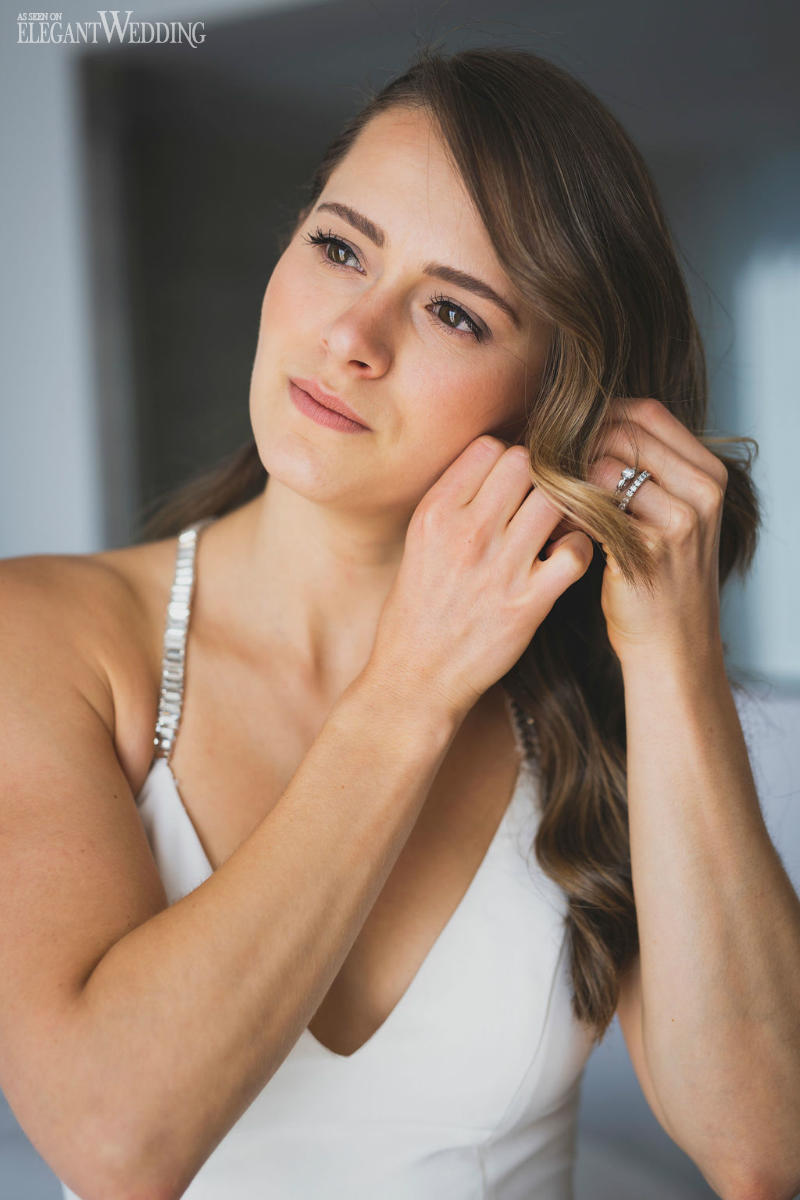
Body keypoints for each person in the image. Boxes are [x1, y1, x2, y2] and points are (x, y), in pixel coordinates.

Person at [2, 43, 799, 1200]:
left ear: (556, 400)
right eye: (338, 247)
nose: (351, 336)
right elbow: (117, 1137)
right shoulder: (46, 637)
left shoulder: (597, 702)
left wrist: (673, 658)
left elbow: (764, 1143)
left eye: (452, 313)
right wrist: (409, 688)